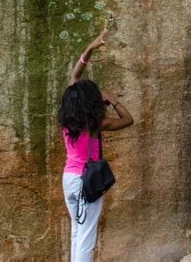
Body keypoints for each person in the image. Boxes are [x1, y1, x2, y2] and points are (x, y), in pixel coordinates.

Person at [58, 28, 134, 262]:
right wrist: (113, 100)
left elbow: (74, 79)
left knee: (77, 231)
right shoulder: (96, 123)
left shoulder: (66, 118)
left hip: (69, 179)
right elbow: (128, 120)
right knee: (86, 236)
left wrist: (89, 49)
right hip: (86, 181)